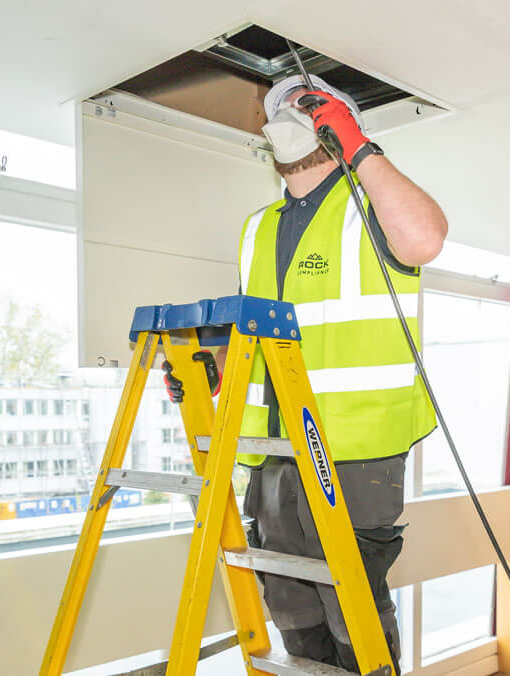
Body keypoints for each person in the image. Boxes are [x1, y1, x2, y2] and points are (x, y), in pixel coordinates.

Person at [162, 73, 447, 673]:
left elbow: (424, 238)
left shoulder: (368, 206)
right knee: (289, 604)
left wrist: (359, 146)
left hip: (355, 444)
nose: (289, 110)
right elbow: (253, 326)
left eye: (307, 103)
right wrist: (209, 372)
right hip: (274, 447)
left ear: (335, 121)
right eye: (280, 104)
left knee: (352, 607)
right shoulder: (257, 227)